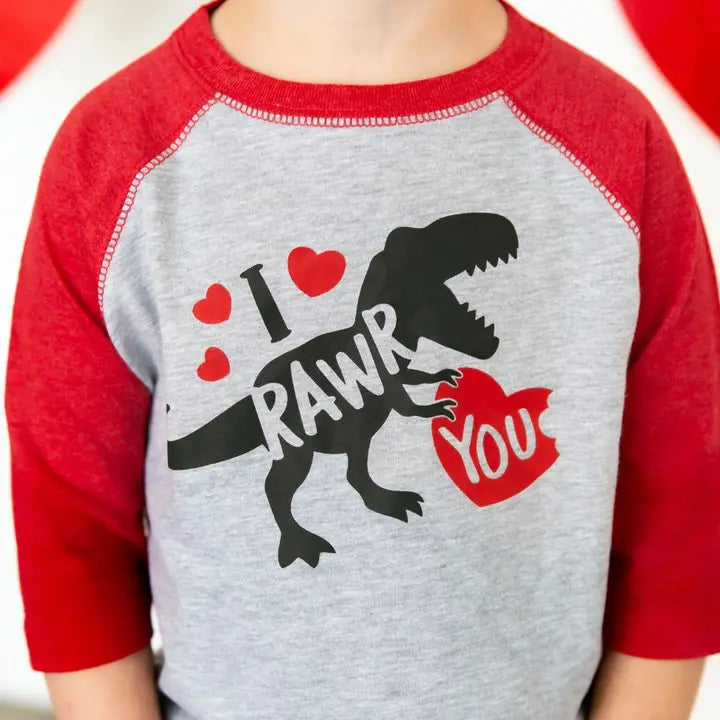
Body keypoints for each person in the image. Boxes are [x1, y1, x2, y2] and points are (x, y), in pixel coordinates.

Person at [6, 1, 719, 718]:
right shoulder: (110, 158)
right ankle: (294, 523)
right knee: (302, 456)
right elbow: (71, 536)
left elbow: (683, 509)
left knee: (357, 442)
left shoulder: (615, 144)